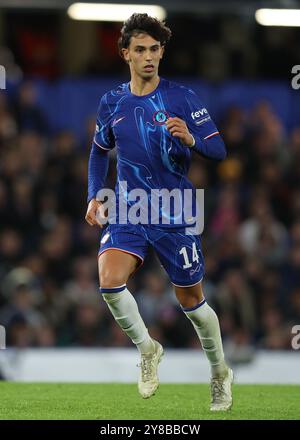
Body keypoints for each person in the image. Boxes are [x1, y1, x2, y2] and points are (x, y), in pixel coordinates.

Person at [85, 13, 233, 411]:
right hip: (129, 209)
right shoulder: (112, 101)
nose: (148, 57)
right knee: (109, 281)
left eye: (154, 49)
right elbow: (99, 151)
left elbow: (219, 150)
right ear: (125, 54)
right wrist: (94, 196)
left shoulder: (182, 97)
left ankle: (219, 372)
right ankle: (148, 349)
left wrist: (192, 137)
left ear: (161, 52)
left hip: (175, 212)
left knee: (193, 305)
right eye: (140, 50)